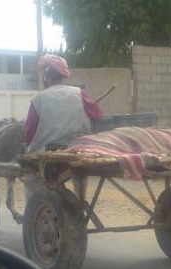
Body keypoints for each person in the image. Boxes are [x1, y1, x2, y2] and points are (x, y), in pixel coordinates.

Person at [24, 54, 104, 200]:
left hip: (48, 157)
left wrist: (29, 148)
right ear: (63, 75)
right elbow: (98, 116)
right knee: (80, 175)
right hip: (79, 150)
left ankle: (33, 212)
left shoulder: (38, 99)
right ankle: (80, 201)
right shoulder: (80, 93)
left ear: (45, 76)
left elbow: (29, 132)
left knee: (30, 176)